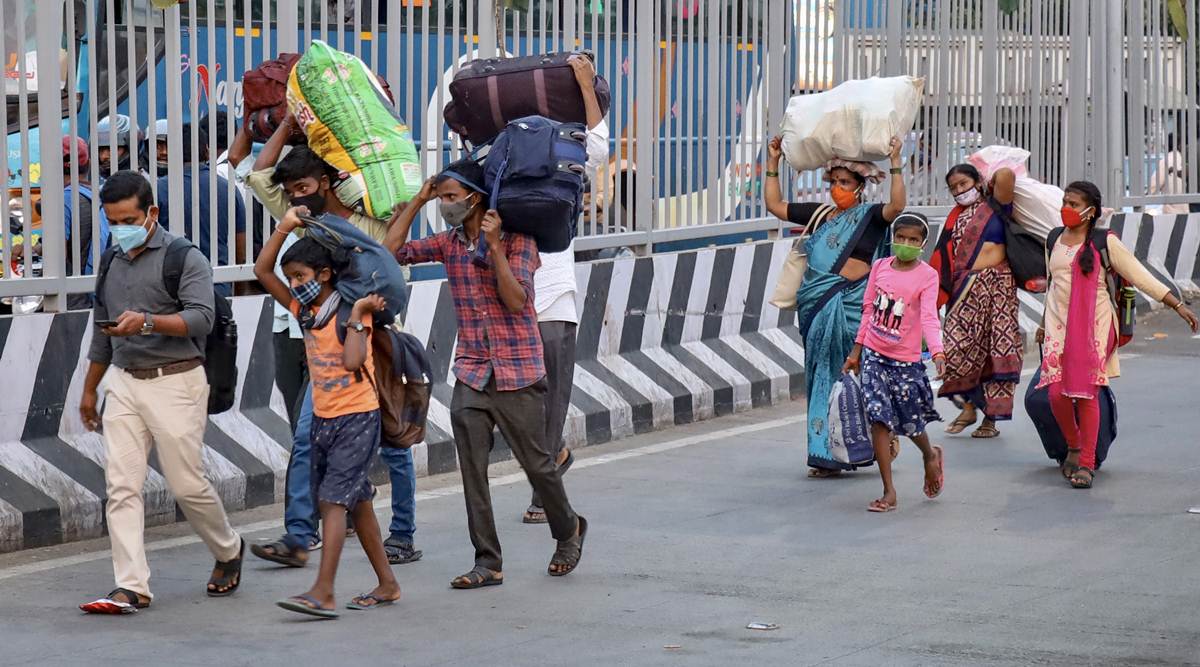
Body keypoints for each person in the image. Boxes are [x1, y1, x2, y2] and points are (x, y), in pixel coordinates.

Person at [385, 159, 588, 589]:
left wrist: (495, 247)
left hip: (517, 370)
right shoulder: (449, 243)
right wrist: (419, 200)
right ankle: (488, 560)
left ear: (477, 198)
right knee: (472, 469)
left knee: (537, 464)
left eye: (451, 197)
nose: (446, 205)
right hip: (473, 371)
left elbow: (517, 301)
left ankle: (568, 529)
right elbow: (393, 251)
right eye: (441, 198)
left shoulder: (520, 241)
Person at [230, 119, 422, 568]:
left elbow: (389, 260)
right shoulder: (304, 222)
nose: (296, 197)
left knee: (394, 444)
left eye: (303, 187)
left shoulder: (362, 223)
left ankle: (403, 533)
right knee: (306, 440)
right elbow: (259, 175)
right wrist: (287, 122)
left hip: (371, 342)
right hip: (320, 345)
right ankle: (300, 534)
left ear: (328, 181)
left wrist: (412, 207)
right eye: (292, 190)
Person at [77, 171, 243, 614]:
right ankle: (131, 586)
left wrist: (147, 321)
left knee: (188, 486)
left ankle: (228, 550)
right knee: (122, 486)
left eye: (128, 219)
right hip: (125, 383)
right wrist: (90, 389)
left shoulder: (184, 257)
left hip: (177, 381)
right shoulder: (112, 260)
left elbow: (202, 318)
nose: (120, 229)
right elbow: (102, 332)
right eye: (112, 220)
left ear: (152, 213)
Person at [254, 214, 401, 617]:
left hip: (357, 419)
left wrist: (357, 318)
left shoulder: (351, 310)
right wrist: (283, 226)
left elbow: (354, 360)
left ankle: (324, 591)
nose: (296, 285)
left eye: (301, 277)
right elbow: (261, 271)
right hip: (323, 418)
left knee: (331, 502)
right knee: (358, 504)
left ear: (324, 273)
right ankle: (387, 583)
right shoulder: (305, 312)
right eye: (292, 279)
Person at [1035, 181, 1198, 489]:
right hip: (1058, 325)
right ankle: (1073, 444)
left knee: (1086, 393)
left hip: (1094, 326)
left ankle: (1085, 463)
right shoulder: (1053, 238)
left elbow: (1139, 274)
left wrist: (1177, 305)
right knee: (1056, 394)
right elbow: (1051, 283)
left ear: (1090, 211)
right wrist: (1043, 323)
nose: (1066, 209)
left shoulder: (1104, 241)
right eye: (1064, 202)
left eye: (1073, 204)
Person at [764, 135, 906, 476]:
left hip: (854, 310)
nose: (838, 188)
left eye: (845, 182)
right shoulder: (820, 215)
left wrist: (897, 162)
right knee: (822, 377)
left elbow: (897, 207)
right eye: (834, 182)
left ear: (860, 186)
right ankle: (825, 452)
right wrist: (772, 163)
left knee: (860, 377)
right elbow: (776, 206)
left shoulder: (872, 216)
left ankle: (880, 436)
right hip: (818, 307)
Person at [522, 53, 608, 524]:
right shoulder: (503, 158)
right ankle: (550, 463)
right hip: (510, 297)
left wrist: (583, 82)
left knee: (551, 398)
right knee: (523, 403)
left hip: (553, 293)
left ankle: (543, 494)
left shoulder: (568, 162)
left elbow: (597, 144)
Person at [843, 212, 946, 513]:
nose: (905, 244)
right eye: (901, 238)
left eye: (913, 240)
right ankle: (889, 491)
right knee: (878, 418)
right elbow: (867, 310)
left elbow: (928, 316)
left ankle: (929, 454)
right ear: (893, 238)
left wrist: (938, 352)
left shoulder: (927, 276)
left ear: (922, 244)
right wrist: (857, 351)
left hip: (905, 360)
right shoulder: (880, 267)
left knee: (910, 420)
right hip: (874, 353)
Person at [930, 164, 1022, 439]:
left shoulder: (996, 206)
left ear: (977, 182)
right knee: (956, 350)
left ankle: (990, 420)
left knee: (996, 353)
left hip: (998, 290)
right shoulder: (953, 219)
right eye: (954, 187)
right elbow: (943, 259)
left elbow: (1007, 175)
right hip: (963, 291)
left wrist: (989, 173)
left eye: (964, 184)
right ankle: (969, 408)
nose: (960, 191)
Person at [154, 122, 247, 297]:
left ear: (170, 152)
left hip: (174, 291)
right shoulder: (226, 188)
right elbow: (240, 250)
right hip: (218, 287)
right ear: (206, 149)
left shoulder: (159, 189)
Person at [95, 114, 144, 180]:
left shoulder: (147, 186)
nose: (104, 156)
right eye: (100, 150)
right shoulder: (96, 186)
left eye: (112, 149)